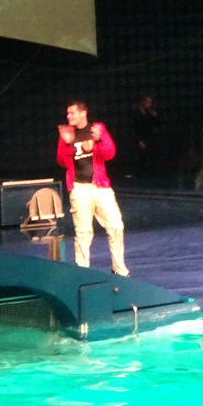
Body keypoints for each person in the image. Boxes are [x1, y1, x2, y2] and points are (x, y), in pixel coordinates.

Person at [56, 101, 129, 276]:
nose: (69, 116)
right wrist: (68, 146)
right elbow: (62, 162)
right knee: (83, 233)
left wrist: (97, 142)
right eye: (67, 113)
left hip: (101, 187)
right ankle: (82, 271)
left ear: (83, 113)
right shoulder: (67, 133)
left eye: (72, 113)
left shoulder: (97, 129)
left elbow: (110, 152)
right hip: (79, 189)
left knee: (116, 226)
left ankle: (119, 269)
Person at [132, 94, 161, 176]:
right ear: (143, 102)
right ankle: (142, 173)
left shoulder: (149, 112)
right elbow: (137, 128)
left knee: (152, 155)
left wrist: (155, 116)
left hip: (150, 137)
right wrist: (140, 140)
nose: (149, 104)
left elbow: (156, 124)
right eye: (147, 102)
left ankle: (151, 172)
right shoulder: (137, 113)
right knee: (142, 156)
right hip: (142, 138)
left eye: (150, 102)